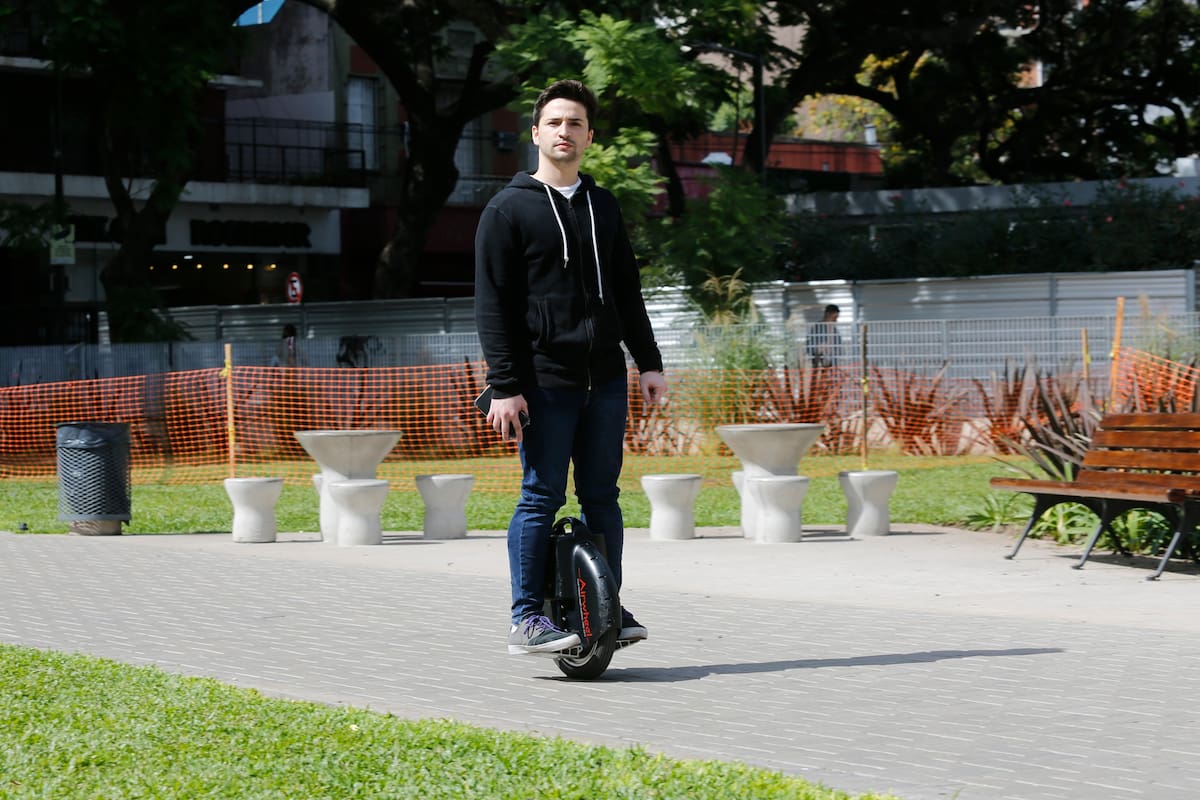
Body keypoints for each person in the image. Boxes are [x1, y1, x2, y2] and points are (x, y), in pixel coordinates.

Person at [474, 79, 668, 656]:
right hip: (541, 382)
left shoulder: (602, 206)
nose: (565, 132)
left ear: (589, 136)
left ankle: (608, 602)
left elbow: (627, 293)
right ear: (536, 133)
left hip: (604, 379)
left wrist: (649, 362)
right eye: (555, 123)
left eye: (576, 123)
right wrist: (505, 386)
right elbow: (492, 305)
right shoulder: (507, 209)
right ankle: (526, 617)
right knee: (540, 495)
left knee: (603, 497)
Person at [806, 304, 842, 368]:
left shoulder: (834, 329)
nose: (836, 320)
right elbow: (811, 344)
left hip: (830, 358)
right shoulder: (817, 327)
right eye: (834, 318)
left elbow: (837, 343)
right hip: (818, 358)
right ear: (828, 314)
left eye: (836, 318)